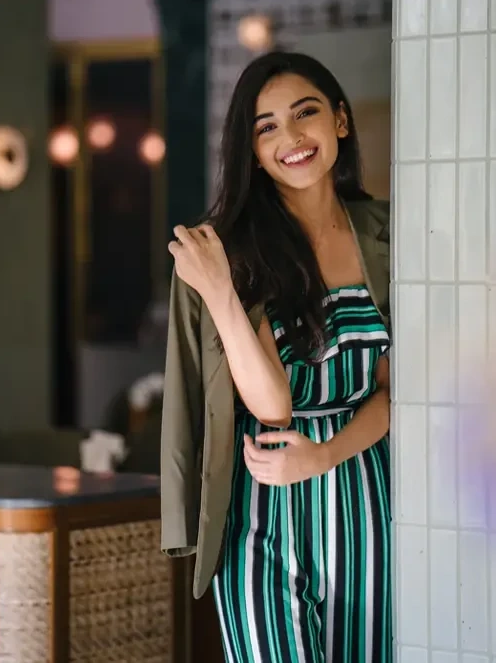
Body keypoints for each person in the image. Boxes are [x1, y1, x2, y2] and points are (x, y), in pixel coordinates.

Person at [159, 50, 392, 663]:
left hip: (368, 504)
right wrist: (218, 291)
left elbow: (400, 392)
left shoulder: (390, 235)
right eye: (266, 128)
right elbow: (273, 403)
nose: (290, 138)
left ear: (339, 121)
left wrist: (326, 455)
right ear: (252, 150)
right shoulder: (231, 251)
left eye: (305, 113)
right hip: (262, 516)